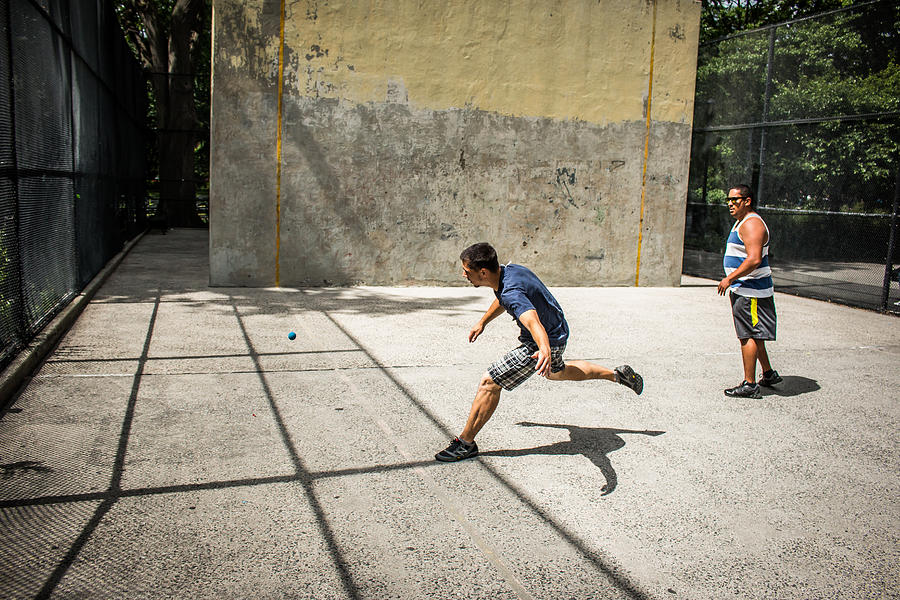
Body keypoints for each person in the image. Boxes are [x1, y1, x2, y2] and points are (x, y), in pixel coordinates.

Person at [435, 243, 643, 462]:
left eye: (467, 271)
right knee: (557, 372)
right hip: (558, 330)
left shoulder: (512, 292)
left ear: (483, 272)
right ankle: (618, 375)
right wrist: (483, 321)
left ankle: (465, 443)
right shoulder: (510, 271)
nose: (464, 274)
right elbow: (503, 297)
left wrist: (544, 349)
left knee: (490, 382)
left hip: (543, 341)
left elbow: (533, 321)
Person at [717, 184, 781, 398]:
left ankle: (750, 384)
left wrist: (729, 278)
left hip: (750, 290)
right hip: (746, 289)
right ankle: (769, 374)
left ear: (747, 201)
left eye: (735, 200)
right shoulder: (742, 222)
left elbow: (754, 259)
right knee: (756, 334)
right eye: (728, 200)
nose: (730, 204)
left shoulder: (752, 224)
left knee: (748, 335)